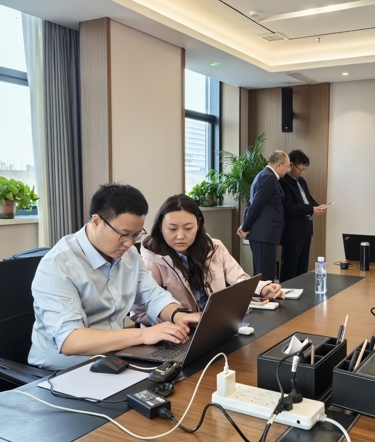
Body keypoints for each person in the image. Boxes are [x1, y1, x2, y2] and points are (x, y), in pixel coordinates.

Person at [28, 184, 191, 370]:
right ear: (96, 221)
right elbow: (70, 340)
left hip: (114, 358)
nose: (129, 243)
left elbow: (153, 294)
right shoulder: (58, 265)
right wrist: (144, 335)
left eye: (136, 235)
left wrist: (179, 315)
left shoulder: (129, 254)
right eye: (124, 235)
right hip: (62, 371)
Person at [130, 194, 285, 326]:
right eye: (172, 229)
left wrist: (261, 288)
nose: (180, 236)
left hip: (216, 326)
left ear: (198, 224)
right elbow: (139, 313)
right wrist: (180, 319)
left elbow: (238, 278)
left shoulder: (214, 247)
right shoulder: (151, 260)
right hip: (177, 334)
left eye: (188, 228)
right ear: (160, 226)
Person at [237, 150, 290, 281]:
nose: (288, 170)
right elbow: (256, 205)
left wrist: (245, 225)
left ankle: (264, 294)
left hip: (264, 235)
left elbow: (254, 204)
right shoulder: (268, 177)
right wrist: (245, 227)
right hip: (264, 235)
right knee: (265, 275)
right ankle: (263, 295)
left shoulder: (265, 175)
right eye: (287, 166)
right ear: (279, 164)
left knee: (264, 273)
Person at [279, 149, 327, 282]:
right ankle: (286, 291)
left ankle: (300, 290)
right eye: (301, 169)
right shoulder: (283, 182)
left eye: (305, 169)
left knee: (302, 266)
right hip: (292, 231)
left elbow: (308, 198)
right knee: (290, 266)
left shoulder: (301, 181)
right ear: (291, 165)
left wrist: (318, 206)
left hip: (306, 228)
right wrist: (311, 209)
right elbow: (289, 207)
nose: (302, 172)